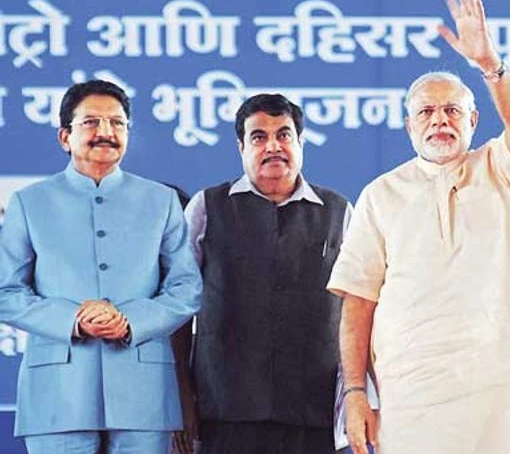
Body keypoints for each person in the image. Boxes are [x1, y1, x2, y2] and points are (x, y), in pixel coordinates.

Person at [327, 0, 510, 453]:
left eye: (452, 111)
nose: (439, 120)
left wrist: (490, 63)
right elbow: (358, 303)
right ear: (409, 127)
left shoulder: (499, 168)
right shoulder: (380, 196)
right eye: (426, 112)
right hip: (417, 394)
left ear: (473, 120)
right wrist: (354, 394)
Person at [0, 79, 202, 454]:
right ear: (65, 136)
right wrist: (72, 319)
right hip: (57, 396)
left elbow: (186, 288)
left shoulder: (161, 202)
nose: (106, 132)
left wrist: (131, 320)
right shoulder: (29, 203)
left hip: (144, 396)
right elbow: (6, 293)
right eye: (91, 122)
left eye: (117, 123)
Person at [175, 93, 351, 454]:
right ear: (241, 146)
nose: (273, 146)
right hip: (225, 413)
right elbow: (178, 310)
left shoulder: (338, 212)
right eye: (259, 137)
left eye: (284, 135)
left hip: (312, 414)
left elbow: (358, 312)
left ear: (301, 143)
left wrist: (357, 396)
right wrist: (181, 397)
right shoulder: (206, 208)